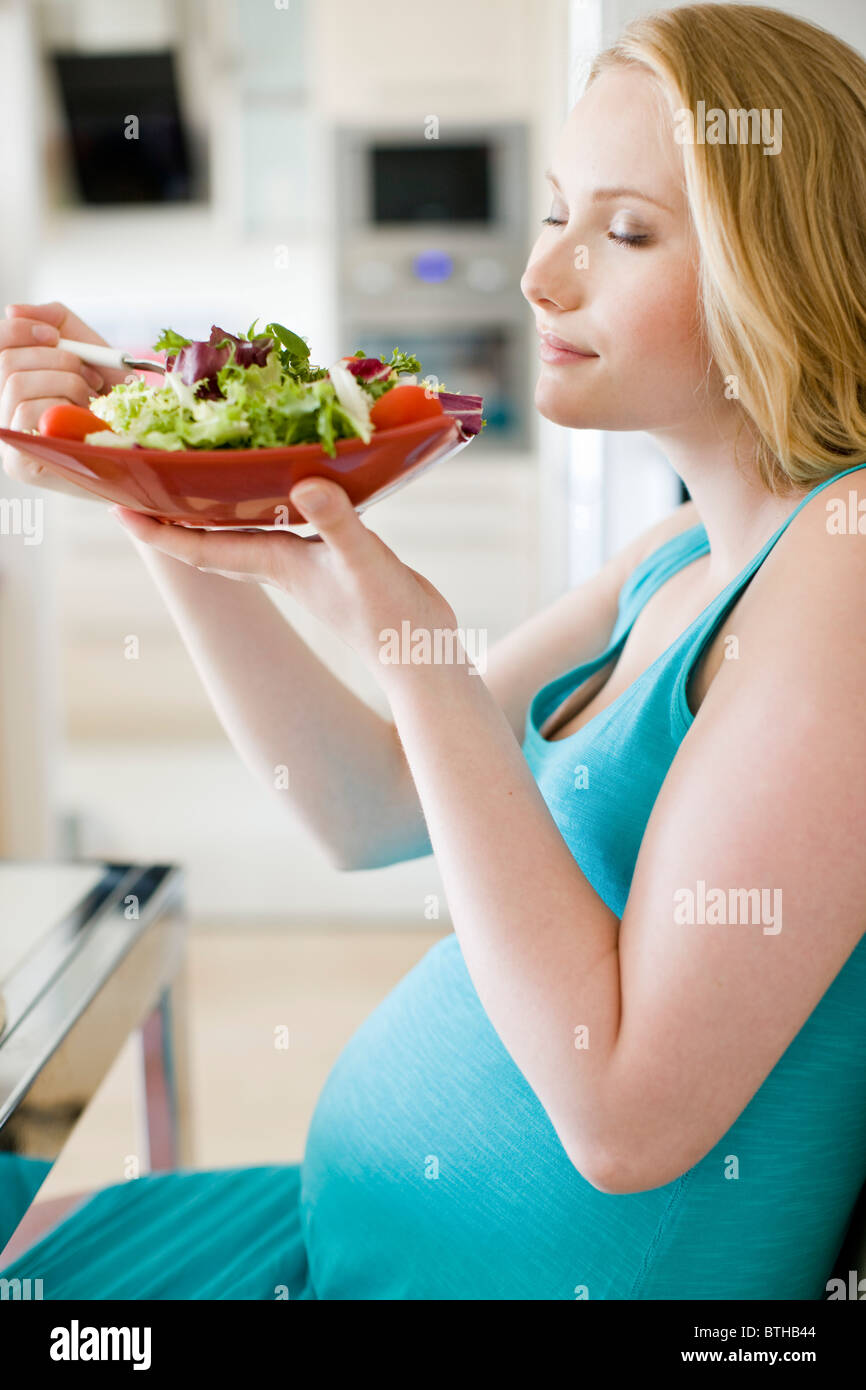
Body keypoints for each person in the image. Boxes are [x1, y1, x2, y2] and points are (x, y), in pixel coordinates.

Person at [2, 3, 865, 1300]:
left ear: (781, 265)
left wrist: (414, 650)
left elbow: (626, 1113)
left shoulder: (842, 569)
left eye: (624, 232)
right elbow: (369, 805)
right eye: (555, 211)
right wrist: (155, 475)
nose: (540, 275)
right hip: (328, 1239)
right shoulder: (677, 557)